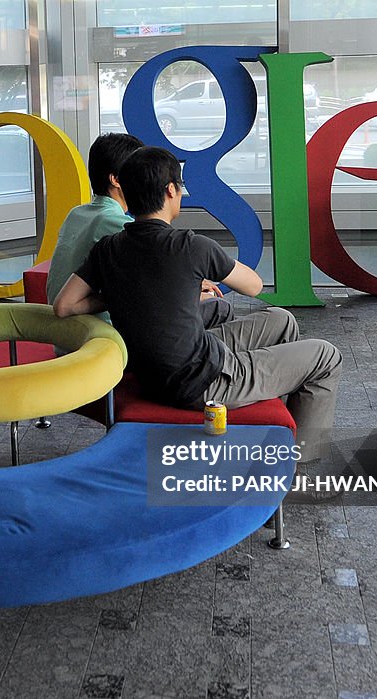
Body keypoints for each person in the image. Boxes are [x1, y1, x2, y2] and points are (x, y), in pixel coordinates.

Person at [53, 147, 341, 463]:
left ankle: (265, 416)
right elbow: (254, 285)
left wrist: (123, 293)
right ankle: (300, 463)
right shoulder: (191, 246)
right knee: (326, 356)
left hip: (157, 371)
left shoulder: (108, 248)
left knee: (282, 320)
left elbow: (64, 305)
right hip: (201, 382)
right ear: (170, 191)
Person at [45, 132, 232, 327]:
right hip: (101, 334)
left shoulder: (77, 213)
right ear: (116, 179)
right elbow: (163, 273)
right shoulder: (114, 222)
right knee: (217, 308)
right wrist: (193, 286)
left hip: (64, 333)